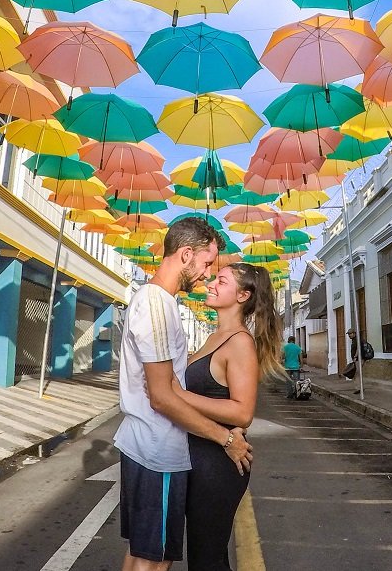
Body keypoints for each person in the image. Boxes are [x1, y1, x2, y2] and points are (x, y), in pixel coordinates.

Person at [115, 218, 252, 571]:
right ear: (186, 254)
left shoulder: (161, 303)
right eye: (207, 264)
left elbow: (174, 389)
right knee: (153, 561)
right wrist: (226, 438)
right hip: (156, 450)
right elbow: (161, 396)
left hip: (154, 449)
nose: (207, 274)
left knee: (144, 555)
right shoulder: (157, 304)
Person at [173, 262, 284, 571]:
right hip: (198, 457)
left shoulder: (240, 342)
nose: (210, 283)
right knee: (208, 557)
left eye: (221, 281)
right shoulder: (215, 337)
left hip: (217, 464)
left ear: (242, 295)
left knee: (206, 561)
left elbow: (242, 411)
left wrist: (179, 395)